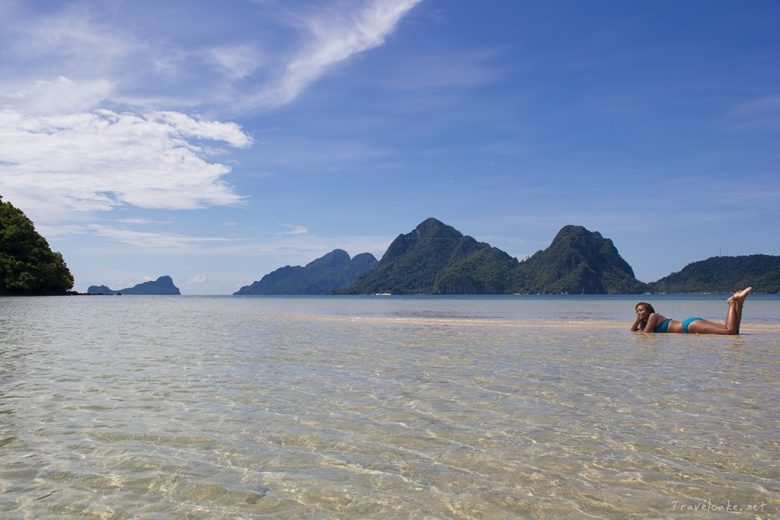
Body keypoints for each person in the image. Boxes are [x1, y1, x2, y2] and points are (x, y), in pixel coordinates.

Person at [631, 287, 752, 335]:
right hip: (691, 323)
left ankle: (732, 303)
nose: (639, 313)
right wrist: (638, 320)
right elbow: (633, 331)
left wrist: (638, 320)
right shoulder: (649, 321)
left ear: (648, 310)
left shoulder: (653, 316)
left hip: (688, 326)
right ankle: (739, 303)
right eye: (637, 311)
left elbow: (645, 334)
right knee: (734, 331)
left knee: (729, 331)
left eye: (641, 310)